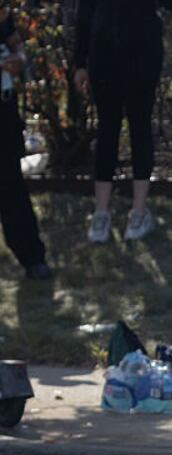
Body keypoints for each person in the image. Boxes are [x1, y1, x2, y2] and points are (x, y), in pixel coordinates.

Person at [73, 0, 172, 244]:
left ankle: (137, 212)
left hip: (141, 50)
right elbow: (84, 13)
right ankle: (102, 213)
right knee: (109, 129)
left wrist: (80, 61)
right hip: (108, 51)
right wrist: (79, 62)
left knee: (138, 126)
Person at [0, 7, 50, 279]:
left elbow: (14, 43)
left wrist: (18, 57)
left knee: (11, 183)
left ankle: (32, 257)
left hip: (4, 108)